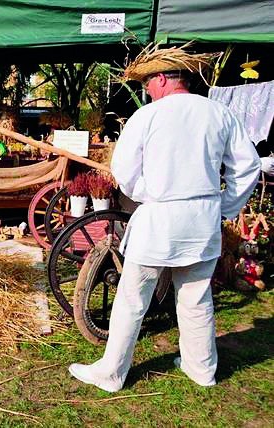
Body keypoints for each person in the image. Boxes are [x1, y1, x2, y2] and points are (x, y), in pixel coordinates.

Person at [68, 46, 261, 391]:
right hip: (202, 219)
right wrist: (224, 207)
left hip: (160, 218)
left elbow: (124, 171)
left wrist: (152, 194)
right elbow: (247, 168)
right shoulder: (219, 113)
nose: (147, 90)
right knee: (195, 297)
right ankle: (201, 369)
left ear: (161, 79)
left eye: (149, 84)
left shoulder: (148, 116)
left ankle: (111, 373)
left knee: (132, 297)